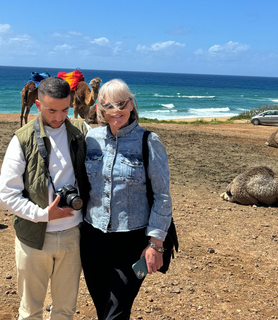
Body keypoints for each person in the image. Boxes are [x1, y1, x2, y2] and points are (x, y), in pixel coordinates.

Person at [0, 76, 90, 320]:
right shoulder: (22, 139)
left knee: (65, 311)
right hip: (34, 238)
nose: (59, 117)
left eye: (64, 109)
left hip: (73, 237)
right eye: (51, 110)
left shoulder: (82, 132)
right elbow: (6, 194)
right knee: (30, 312)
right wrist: (43, 215)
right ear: (37, 105)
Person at [80, 78, 172, 319]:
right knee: (103, 309)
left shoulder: (149, 142)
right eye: (108, 106)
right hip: (92, 238)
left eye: (121, 103)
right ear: (100, 109)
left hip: (131, 242)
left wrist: (156, 245)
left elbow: (162, 196)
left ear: (131, 104)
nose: (116, 111)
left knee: (116, 313)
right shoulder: (91, 140)